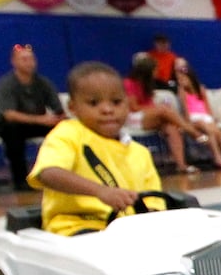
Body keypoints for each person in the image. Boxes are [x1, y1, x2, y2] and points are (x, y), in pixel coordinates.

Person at [28, 61, 165, 236]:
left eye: (116, 102)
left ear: (128, 104)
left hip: (127, 230)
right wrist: (101, 192)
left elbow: (153, 201)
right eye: (94, 103)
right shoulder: (68, 134)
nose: (107, 110)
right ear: (73, 107)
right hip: (76, 227)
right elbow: (49, 173)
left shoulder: (140, 153)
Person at [0, 43, 66, 190]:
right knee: (13, 133)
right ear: (14, 62)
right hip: (9, 124)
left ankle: (62, 173)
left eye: (31, 59)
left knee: (65, 129)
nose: (29, 63)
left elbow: (57, 109)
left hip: (38, 123)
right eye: (24, 59)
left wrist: (61, 119)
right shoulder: (6, 83)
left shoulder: (43, 83)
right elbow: (9, 114)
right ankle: (20, 181)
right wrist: (42, 120)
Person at [125, 52, 205, 174]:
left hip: (147, 117)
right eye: (155, 69)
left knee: (171, 127)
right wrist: (158, 109)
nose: (157, 71)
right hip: (132, 119)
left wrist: (157, 108)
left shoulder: (148, 84)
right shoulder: (128, 83)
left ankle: (182, 165)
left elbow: (149, 105)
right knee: (163, 110)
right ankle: (192, 131)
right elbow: (134, 108)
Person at [172, 58, 221, 167]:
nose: (181, 82)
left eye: (184, 79)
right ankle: (217, 157)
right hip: (193, 118)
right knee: (209, 129)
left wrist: (212, 118)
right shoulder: (182, 92)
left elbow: (207, 107)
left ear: (191, 78)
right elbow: (185, 110)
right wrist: (188, 122)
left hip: (205, 117)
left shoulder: (201, 89)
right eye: (179, 80)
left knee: (217, 131)